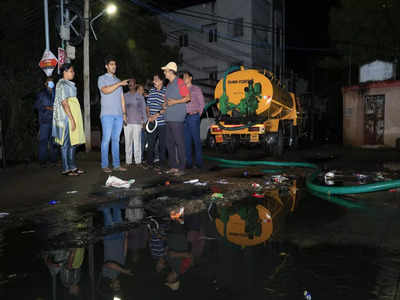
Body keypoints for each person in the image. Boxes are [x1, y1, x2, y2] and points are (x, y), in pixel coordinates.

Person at [52, 63, 86, 176]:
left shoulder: (69, 84)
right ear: (64, 72)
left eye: (73, 71)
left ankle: (73, 167)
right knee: (66, 143)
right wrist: (71, 119)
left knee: (73, 143)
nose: (73, 73)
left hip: (72, 117)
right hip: (66, 118)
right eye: (71, 71)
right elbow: (64, 103)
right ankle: (66, 169)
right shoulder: (62, 84)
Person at [98, 55, 129, 173]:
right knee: (106, 139)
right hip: (107, 114)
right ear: (106, 66)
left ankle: (116, 165)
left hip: (119, 115)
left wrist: (124, 114)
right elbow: (105, 91)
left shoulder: (118, 80)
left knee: (116, 139)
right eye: (111, 64)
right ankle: (104, 164)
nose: (114, 66)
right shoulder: (102, 78)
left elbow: (122, 98)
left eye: (115, 64)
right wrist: (119, 84)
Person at [161, 62, 190, 176]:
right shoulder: (168, 85)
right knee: (169, 144)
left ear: (171, 71)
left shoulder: (180, 82)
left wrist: (175, 102)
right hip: (168, 117)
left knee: (179, 143)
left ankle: (182, 168)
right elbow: (167, 101)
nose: (164, 72)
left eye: (165, 70)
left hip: (177, 118)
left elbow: (188, 98)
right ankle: (173, 166)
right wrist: (165, 105)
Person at [183, 71, 205, 169]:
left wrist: (197, 115)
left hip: (193, 117)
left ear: (190, 78)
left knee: (196, 140)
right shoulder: (182, 90)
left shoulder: (196, 89)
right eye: (183, 77)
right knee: (187, 141)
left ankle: (199, 162)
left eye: (186, 77)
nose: (184, 78)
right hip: (184, 118)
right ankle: (189, 162)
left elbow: (202, 104)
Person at [34, 77, 57, 167]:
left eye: (52, 82)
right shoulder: (42, 94)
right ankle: (42, 161)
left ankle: (53, 160)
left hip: (54, 121)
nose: (51, 84)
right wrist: (47, 108)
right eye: (49, 82)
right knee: (43, 141)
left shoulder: (56, 94)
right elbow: (36, 105)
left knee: (53, 141)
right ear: (45, 84)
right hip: (44, 121)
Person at [146, 73, 167, 168]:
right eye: (153, 80)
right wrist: (149, 116)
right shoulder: (151, 91)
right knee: (150, 144)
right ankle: (149, 163)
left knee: (162, 144)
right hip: (151, 122)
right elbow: (147, 106)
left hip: (162, 123)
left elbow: (166, 107)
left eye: (156, 80)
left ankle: (162, 163)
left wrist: (156, 115)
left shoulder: (166, 91)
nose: (153, 81)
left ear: (161, 81)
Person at [124, 81, 147, 166]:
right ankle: (128, 161)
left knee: (137, 142)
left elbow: (143, 109)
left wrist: (144, 122)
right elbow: (122, 108)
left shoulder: (140, 96)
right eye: (129, 84)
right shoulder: (125, 96)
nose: (131, 86)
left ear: (135, 85)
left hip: (137, 122)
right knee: (128, 142)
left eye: (132, 84)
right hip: (127, 123)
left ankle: (138, 161)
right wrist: (123, 119)